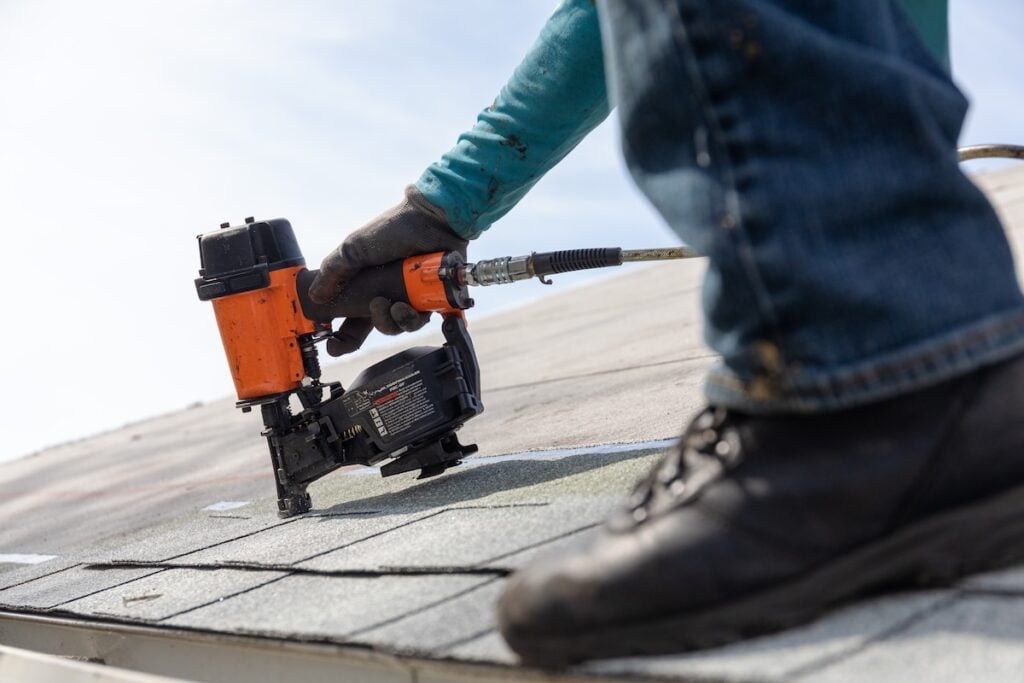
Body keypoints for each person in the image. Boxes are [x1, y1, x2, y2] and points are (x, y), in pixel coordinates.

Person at [310, 0, 1024, 666]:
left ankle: (842, 401)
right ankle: (933, 382)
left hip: (855, 361)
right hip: (948, 315)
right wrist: (449, 200)